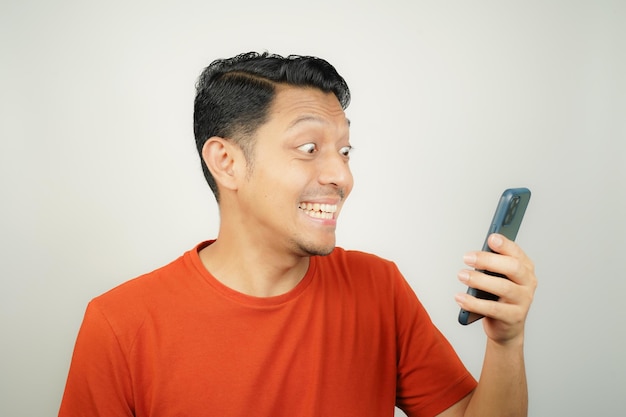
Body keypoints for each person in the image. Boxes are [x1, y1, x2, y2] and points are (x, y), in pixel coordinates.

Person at [58, 52, 537, 417]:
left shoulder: (379, 288)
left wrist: (506, 342)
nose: (341, 177)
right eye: (309, 148)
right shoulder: (120, 324)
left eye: (345, 151)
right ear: (226, 161)